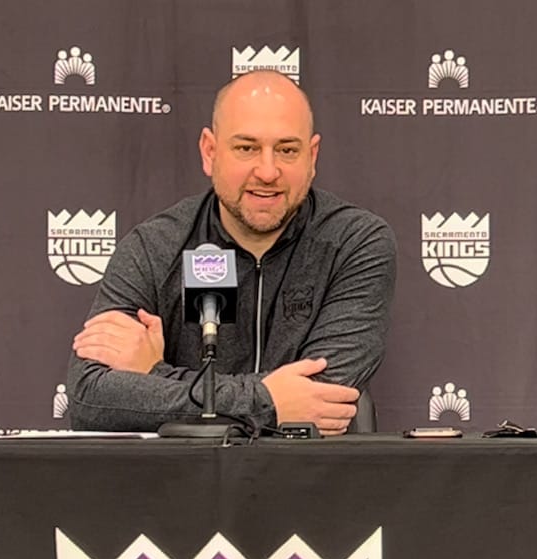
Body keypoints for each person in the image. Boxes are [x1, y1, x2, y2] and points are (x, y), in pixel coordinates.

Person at [67, 69, 396, 436]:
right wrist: (269, 402)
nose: (268, 171)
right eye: (246, 148)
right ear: (210, 152)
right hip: (187, 472)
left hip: (312, 471)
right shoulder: (154, 247)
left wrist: (155, 375)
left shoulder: (356, 243)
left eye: (287, 150)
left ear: (312, 156)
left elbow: (321, 396)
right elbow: (89, 398)